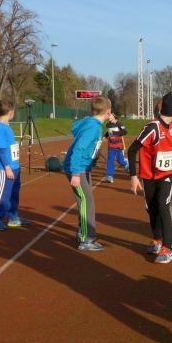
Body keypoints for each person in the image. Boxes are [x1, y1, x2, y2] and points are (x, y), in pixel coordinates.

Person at [127, 92, 172, 264]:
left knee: (162, 205)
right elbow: (132, 150)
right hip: (148, 176)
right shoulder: (152, 128)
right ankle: (157, 239)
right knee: (151, 208)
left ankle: (168, 247)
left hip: (166, 175)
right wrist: (133, 177)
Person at [63, 96, 112, 251]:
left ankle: (82, 232)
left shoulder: (90, 123)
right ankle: (86, 239)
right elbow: (79, 148)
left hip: (83, 167)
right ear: (108, 111)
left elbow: (75, 128)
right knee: (86, 201)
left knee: (85, 200)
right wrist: (75, 173)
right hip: (78, 168)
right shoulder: (93, 127)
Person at [0, 100, 31, 230]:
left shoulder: (6, 126)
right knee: (3, 194)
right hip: (6, 168)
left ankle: (13, 217)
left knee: (14, 194)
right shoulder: (0, 128)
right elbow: (1, 150)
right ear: (11, 112)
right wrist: (7, 168)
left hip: (15, 167)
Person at [104, 113, 129, 183]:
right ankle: (109, 175)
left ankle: (126, 164)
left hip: (118, 145)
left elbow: (124, 132)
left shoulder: (119, 124)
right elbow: (109, 132)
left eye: (110, 115)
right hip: (111, 146)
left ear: (114, 117)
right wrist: (105, 136)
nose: (109, 117)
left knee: (120, 160)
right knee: (110, 160)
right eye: (108, 115)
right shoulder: (108, 125)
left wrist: (115, 132)